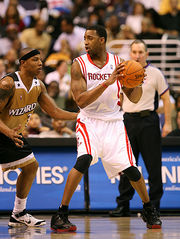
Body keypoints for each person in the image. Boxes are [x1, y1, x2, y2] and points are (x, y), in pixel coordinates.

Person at [50, 25, 162, 233]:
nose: (85, 42)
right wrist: (107, 82)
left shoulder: (119, 64)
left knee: (130, 168)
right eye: (84, 38)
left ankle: (148, 208)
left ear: (102, 40)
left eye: (90, 38)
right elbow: (81, 101)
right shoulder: (78, 65)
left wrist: (135, 82)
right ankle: (61, 213)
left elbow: (134, 97)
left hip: (114, 122)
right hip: (89, 120)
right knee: (83, 160)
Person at [0, 47, 77, 227]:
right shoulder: (8, 84)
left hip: (13, 136)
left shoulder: (38, 86)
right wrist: (8, 132)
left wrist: (80, 116)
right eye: (35, 59)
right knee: (31, 166)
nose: (40, 63)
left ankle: (18, 213)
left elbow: (54, 111)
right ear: (23, 62)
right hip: (4, 133)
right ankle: (18, 213)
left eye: (40, 59)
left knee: (31, 167)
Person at [109, 39, 172, 218]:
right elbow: (116, 98)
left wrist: (168, 123)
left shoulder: (155, 73)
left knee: (153, 166)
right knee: (127, 165)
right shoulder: (123, 73)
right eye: (134, 52)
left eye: (140, 52)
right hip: (127, 121)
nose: (137, 55)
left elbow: (166, 99)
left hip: (149, 122)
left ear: (146, 54)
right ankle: (123, 205)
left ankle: (153, 207)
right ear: (130, 53)